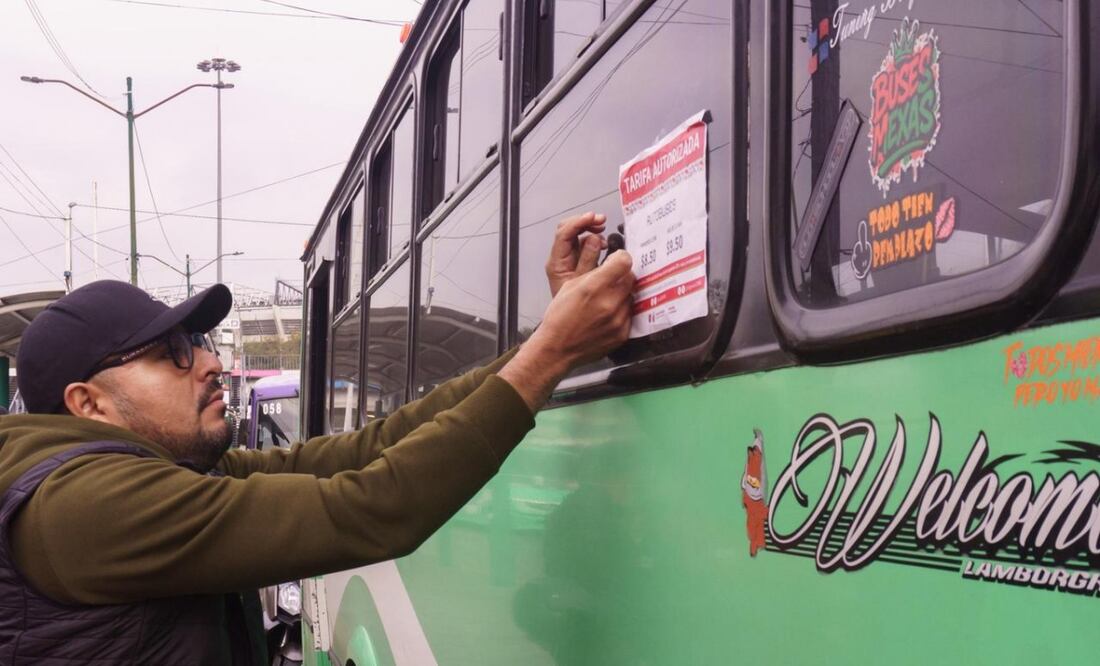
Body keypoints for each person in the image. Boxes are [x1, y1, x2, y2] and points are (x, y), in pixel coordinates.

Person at [0, 212, 630, 664]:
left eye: (199, 341)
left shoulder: (152, 468)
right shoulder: (88, 506)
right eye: (172, 352)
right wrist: (550, 354)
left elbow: (360, 453)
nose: (209, 362)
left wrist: (545, 342)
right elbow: (369, 508)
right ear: (90, 403)